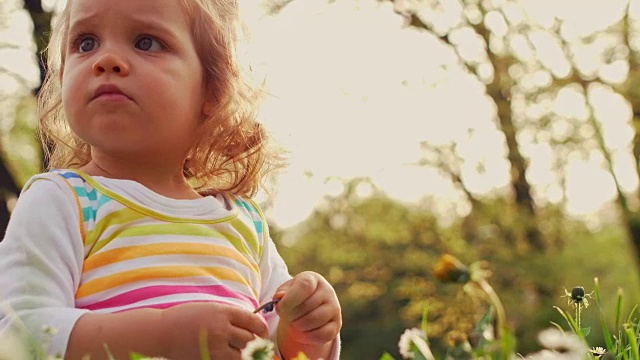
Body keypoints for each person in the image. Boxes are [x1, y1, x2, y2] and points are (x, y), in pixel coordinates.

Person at [0, 0, 342, 359]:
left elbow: (272, 347)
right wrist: (160, 336)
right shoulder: (61, 201)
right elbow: (18, 336)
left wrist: (305, 335)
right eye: (86, 43)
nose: (106, 60)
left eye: (146, 42)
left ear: (212, 88)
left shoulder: (244, 224)